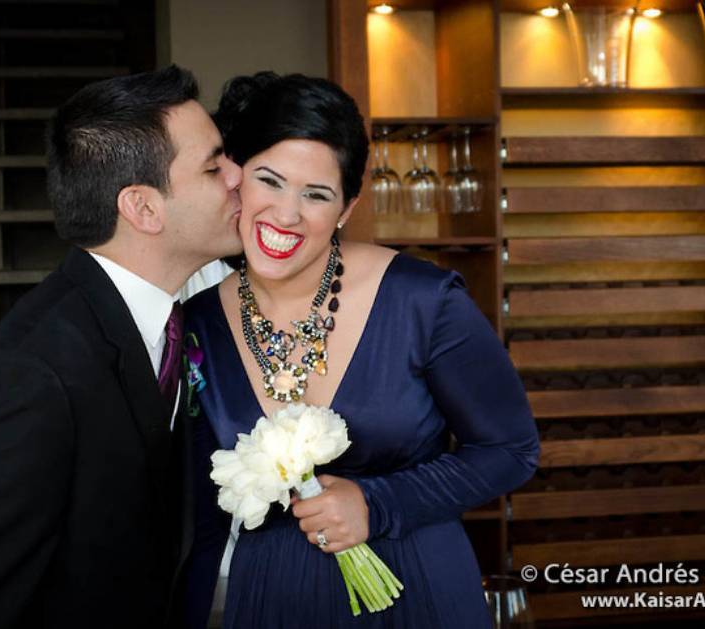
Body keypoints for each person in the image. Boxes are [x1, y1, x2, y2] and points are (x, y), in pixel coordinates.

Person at [182, 72, 539, 628]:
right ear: (235, 180)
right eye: (269, 181)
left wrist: (379, 504)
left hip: (418, 592)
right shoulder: (200, 321)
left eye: (316, 194)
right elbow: (202, 515)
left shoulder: (423, 301)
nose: (286, 213)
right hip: (271, 603)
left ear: (347, 208)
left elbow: (511, 449)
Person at [0, 65, 243, 629]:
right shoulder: (24, 379)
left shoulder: (168, 325)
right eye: (214, 166)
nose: (238, 175)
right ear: (142, 208)